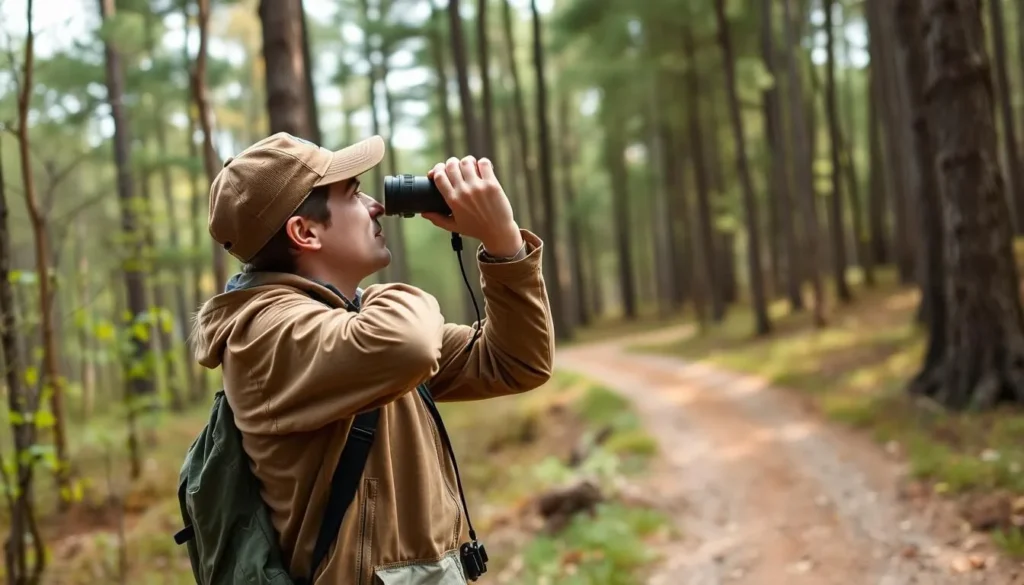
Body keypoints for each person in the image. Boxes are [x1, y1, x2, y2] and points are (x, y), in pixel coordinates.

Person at [190, 131, 555, 584]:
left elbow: (517, 361)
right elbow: (409, 344)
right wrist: (381, 298)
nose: (376, 206)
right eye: (353, 194)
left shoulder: (350, 322)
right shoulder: (265, 334)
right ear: (304, 232)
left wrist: (503, 244)